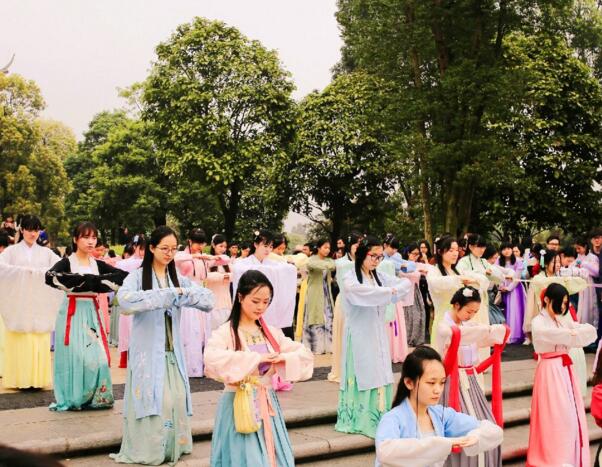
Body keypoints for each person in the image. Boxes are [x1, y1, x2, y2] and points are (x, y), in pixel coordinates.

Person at [110, 226, 214, 466]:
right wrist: (163, 296)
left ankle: (173, 446)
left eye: (173, 249)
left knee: (176, 398)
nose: (169, 253)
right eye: (164, 248)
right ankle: (149, 449)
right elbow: (123, 302)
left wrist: (181, 293)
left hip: (172, 351)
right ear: (152, 249)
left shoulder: (177, 277)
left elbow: (208, 300)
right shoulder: (138, 276)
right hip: (147, 352)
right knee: (156, 400)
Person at [204, 270, 313, 467]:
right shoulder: (225, 332)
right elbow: (212, 358)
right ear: (240, 297)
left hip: (267, 402)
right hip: (237, 403)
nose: (261, 307)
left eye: (266, 302)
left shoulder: (271, 332)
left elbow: (304, 354)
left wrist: (282, 358)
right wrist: (256, 359)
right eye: (255, 301)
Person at [335, 236, 413, 438]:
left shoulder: (378, 276)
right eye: (373, 256)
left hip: (377, 332)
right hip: (359, 333)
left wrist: (389, 290)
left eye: (380, 257)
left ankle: (378, 416)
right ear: (362, 254)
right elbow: (358, 293)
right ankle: (359, 419)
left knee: (379, 371)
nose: (377, 261)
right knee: (363, 371)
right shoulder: (350, 275)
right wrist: (389, 292)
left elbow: (404, 284)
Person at [45, 222, 128, 411]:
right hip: (72, 313)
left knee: (98, 357)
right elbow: (51, 276)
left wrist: (94, 283)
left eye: (94, 237)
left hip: (92, 311)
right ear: (75, 239)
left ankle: (97, 397)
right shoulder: (67, 262)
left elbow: (122, 276)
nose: (91, 241)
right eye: (86, 237)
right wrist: (88, 282)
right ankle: (74, 397)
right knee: (76, 356)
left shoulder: (97, 264)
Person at [375, 346, 503, 467]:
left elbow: (492, 430)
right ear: (409, 383)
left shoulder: (441, 415)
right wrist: (444, 443)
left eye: (442, 383)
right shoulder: (392, 418)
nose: (438, 390)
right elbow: (385, 452)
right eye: (431, 383)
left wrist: (475, 437)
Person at [435, 286, 507, 467]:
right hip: (451, 383)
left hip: (470, 380)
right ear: (456, 305)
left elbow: (481, 337)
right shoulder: (444, 327)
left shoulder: (468, 326)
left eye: (475, 312)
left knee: (484, 424)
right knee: (461, 429)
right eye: (469, 311)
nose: (471, 315)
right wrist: (488, 330)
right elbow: (463, 337)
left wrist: (493, 332)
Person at [527, 283, 597, 467]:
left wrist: (571, 332)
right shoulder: (538, 322)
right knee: (555, 417)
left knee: (570, 416)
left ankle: (569, 458)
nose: (563, 307)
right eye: (560, 303)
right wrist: (571, 333)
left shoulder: (563, 319)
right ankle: (554, 459)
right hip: (549, 370)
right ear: (547, 300)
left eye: (566, 303)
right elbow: (551, 335)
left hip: (565, 370)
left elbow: (588, 332)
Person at [0, 215, 64, 389]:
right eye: (29, 229)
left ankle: (38, 380)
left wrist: (38, 273)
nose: (33, 233)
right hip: (19, 303)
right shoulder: (11, 251)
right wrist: (25, 272)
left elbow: (59, 267)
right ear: (22, 230)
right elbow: (2, 268)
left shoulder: (46, 252)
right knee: (20, 339)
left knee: (38, 338)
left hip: (38, 302)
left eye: (36, 229)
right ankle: (18, 380)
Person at [427, 236, 486, 346]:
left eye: (457, 250)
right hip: (443, 321)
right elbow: (436, 284)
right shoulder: (434, 270)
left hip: (459, 321)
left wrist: (472, 281)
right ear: (440, 252)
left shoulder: (456, 271)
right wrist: (459, 279)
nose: (455, 253)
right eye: (451, 250)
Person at [174, 227, 213, 377]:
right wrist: (196, 257)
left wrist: (207, 257)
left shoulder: (203, 256)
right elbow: (175, 259)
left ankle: (204, 365)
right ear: (189, 241)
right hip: (187, 294)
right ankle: (190, 366)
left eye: (202, 244)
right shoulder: (183, 255)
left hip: (201, 294)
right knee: (190, 331)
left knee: (203, 332)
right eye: (197, 243)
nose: (200, 247)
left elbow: (224, 259)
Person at [327, 231, 361, 383]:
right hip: (346, 301)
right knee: (344, 336)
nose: (359, 247)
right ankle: (343, 370)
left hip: (361, 302)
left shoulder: (364, 261)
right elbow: (343, 285)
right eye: (356, 244)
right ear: (350, 245)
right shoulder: (341, 263)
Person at [114, 235, 146, 368]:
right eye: (141, 248)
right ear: (134, 247)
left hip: (142, 299)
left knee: (135, 329)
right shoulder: (125, 263)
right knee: (126, 329)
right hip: (129, 298)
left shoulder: (125, 263)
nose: (144, 252)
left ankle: (136, 359)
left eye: (146, 249)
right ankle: (124, 359)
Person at [301, 239, 335, 354]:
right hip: (314, 294)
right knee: (315, 318)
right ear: (318, 248)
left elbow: (333, 266)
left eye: (329, 248)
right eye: (325, 247)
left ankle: (329, 347)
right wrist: (326, 265)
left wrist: (326, 265)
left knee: (328, 318)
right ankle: (315, 347)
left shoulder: (329, 260)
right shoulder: (311, 260)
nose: (327, 250)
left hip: (326, 293)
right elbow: (313, 265)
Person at [498, 242, 527, 344]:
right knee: (504, 311)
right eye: (504, 249)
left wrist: (509, 288)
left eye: (509, 248)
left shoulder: (518, 261)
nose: (507, 251)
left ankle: (514, 335)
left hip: (515, 290)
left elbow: (517, 278)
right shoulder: (498, 261)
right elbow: (497, 276)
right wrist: (501, 286)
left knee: (515, 312)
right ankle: (505, 335)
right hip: (502, 288)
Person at [402, 243, 427, 347]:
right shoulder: (403, 263)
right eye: (414, 254)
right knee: (408, 316)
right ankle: (406, 339)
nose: (416, 256)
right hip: (406, 292)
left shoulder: (418, 264)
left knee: (419, 315)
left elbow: (428, 269)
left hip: (416, 292)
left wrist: (425, 260)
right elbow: (404, 273)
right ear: (408, 253)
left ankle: (416, 339)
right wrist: (418, 272)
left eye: (418, 254)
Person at [206, 234, 233, 330]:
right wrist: (223, 277)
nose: (223, 249)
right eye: (221, 246)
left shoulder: (227, 262)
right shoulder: (208, 261)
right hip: (213, 301)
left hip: (226, 301)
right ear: (213, 245)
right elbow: (205, 276)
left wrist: (224, 276)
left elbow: (234, 275)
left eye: (225, 247)